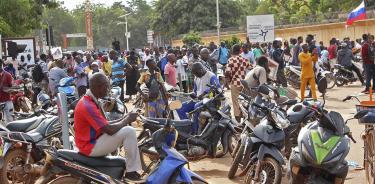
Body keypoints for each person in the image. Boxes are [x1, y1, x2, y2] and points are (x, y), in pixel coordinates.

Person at [74, 73, 142, 182]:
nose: (108, 89)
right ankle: (131, 172)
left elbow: (106, 125)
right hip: (89, 146)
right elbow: (109, 130)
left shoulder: (90, 100)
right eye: (107, 86)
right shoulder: (88, 105)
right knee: (129, 131)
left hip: (91, 142)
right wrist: (127, 120)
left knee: (126, 129)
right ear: (99, 87)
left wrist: (126, 117)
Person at [176, 62, 220, 134]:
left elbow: (217, 87)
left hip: (209, 101)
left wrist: (204, 93)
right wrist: (191, 94)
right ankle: (188, 127)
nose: (195, 75)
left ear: (201, 70)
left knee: (196, 107)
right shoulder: (197, 78)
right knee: (180, 107)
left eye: (196, 73)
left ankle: (195, 131)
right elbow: (195, 91)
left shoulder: (211, 76)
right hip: (198, 100)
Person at [225, 44, 252, 122]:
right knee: (244, 102)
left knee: (236, 104)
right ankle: (245, 121)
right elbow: (251, 68)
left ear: (232, 51)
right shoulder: (245, 60)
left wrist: (228, 81)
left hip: (235, 84)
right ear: (240, 51)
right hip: (244, 84)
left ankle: (238, 123)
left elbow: (227, 72)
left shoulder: (231, 60)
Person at [0, 59, 14, 123]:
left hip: (7, 100)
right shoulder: (8, 75)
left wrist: (8, 90)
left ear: (1, 64)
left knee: (10, 120)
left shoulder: (8, 75)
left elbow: (11, 88)